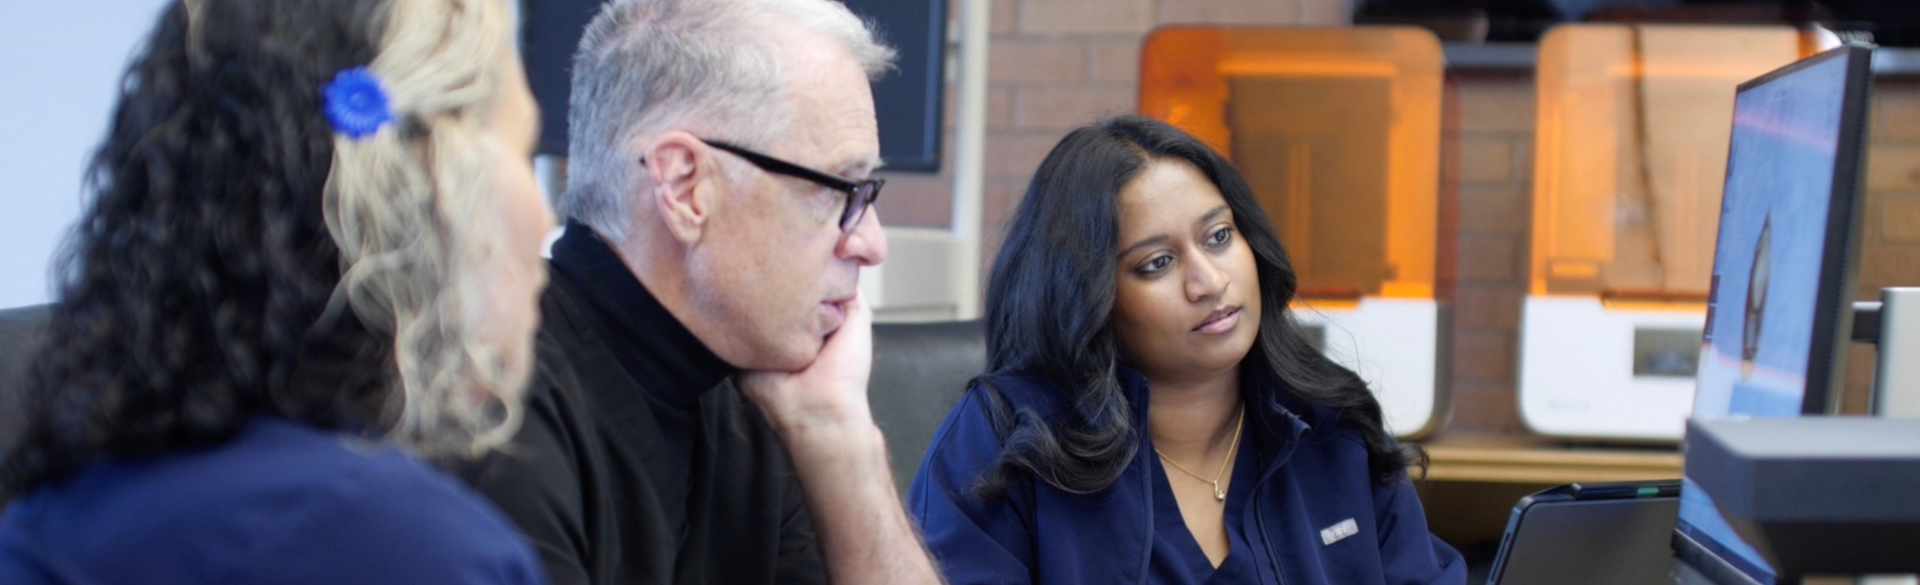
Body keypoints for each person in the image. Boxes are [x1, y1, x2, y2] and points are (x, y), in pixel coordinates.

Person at [0, 0, 554, 582]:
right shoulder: (411, 548)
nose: (545, 217)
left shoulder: (48, 523)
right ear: (421, 186)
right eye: (522, 149)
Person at [445, 0, 942, 584]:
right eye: (839, 190)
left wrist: (838, 437)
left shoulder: (757, 398)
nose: (870, 244)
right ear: (684, 187)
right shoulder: (489, 410)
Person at [910, 115, 1466, 585]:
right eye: (1157, 263)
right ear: (1090, 297)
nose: (1208, 281)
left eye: (1219, 237)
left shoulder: (1331, 426)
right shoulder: (1002, 437)